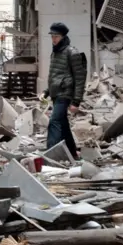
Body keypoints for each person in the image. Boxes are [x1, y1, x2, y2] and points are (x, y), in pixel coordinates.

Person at [41, 22, 87, 160]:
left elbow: (80, 78)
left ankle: (51, 156)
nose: (54, 39)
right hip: (56, 94)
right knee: (63, 124)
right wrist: (46, 92)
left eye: (56, 36)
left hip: (65, 94)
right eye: (52, 36)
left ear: (63, 36)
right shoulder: (55, 53)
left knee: (54, 121)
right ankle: (72, 152)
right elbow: (54, 76)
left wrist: (76, 102)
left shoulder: (72, 52)